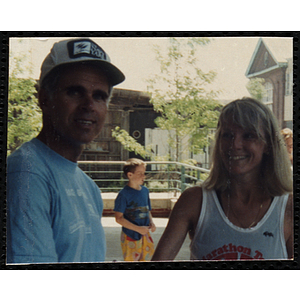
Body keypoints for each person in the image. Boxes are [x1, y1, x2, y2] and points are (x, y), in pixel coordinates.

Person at [7, 38, 125, 264]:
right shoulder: (27, 173)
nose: (89, 105)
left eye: (99, 95)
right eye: (74, 92)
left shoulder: (88, 187)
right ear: (43, 98)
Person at [152, 98, 293, 261]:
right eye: (227, 135)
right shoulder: (194, 201)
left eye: (248, 135)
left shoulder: (288, 208)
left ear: (268, 144)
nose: (235, 144)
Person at [114, 158, 156, 261]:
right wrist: (138, 229)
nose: (143, 176)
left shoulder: (145, 191)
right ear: (130, 175)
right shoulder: (123, 194)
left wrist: (151, 222)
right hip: (130, 235)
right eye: (139, 173)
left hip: (145, 234)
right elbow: (119, 218)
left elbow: (147, 210)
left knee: (145, 259)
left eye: (144, 173)